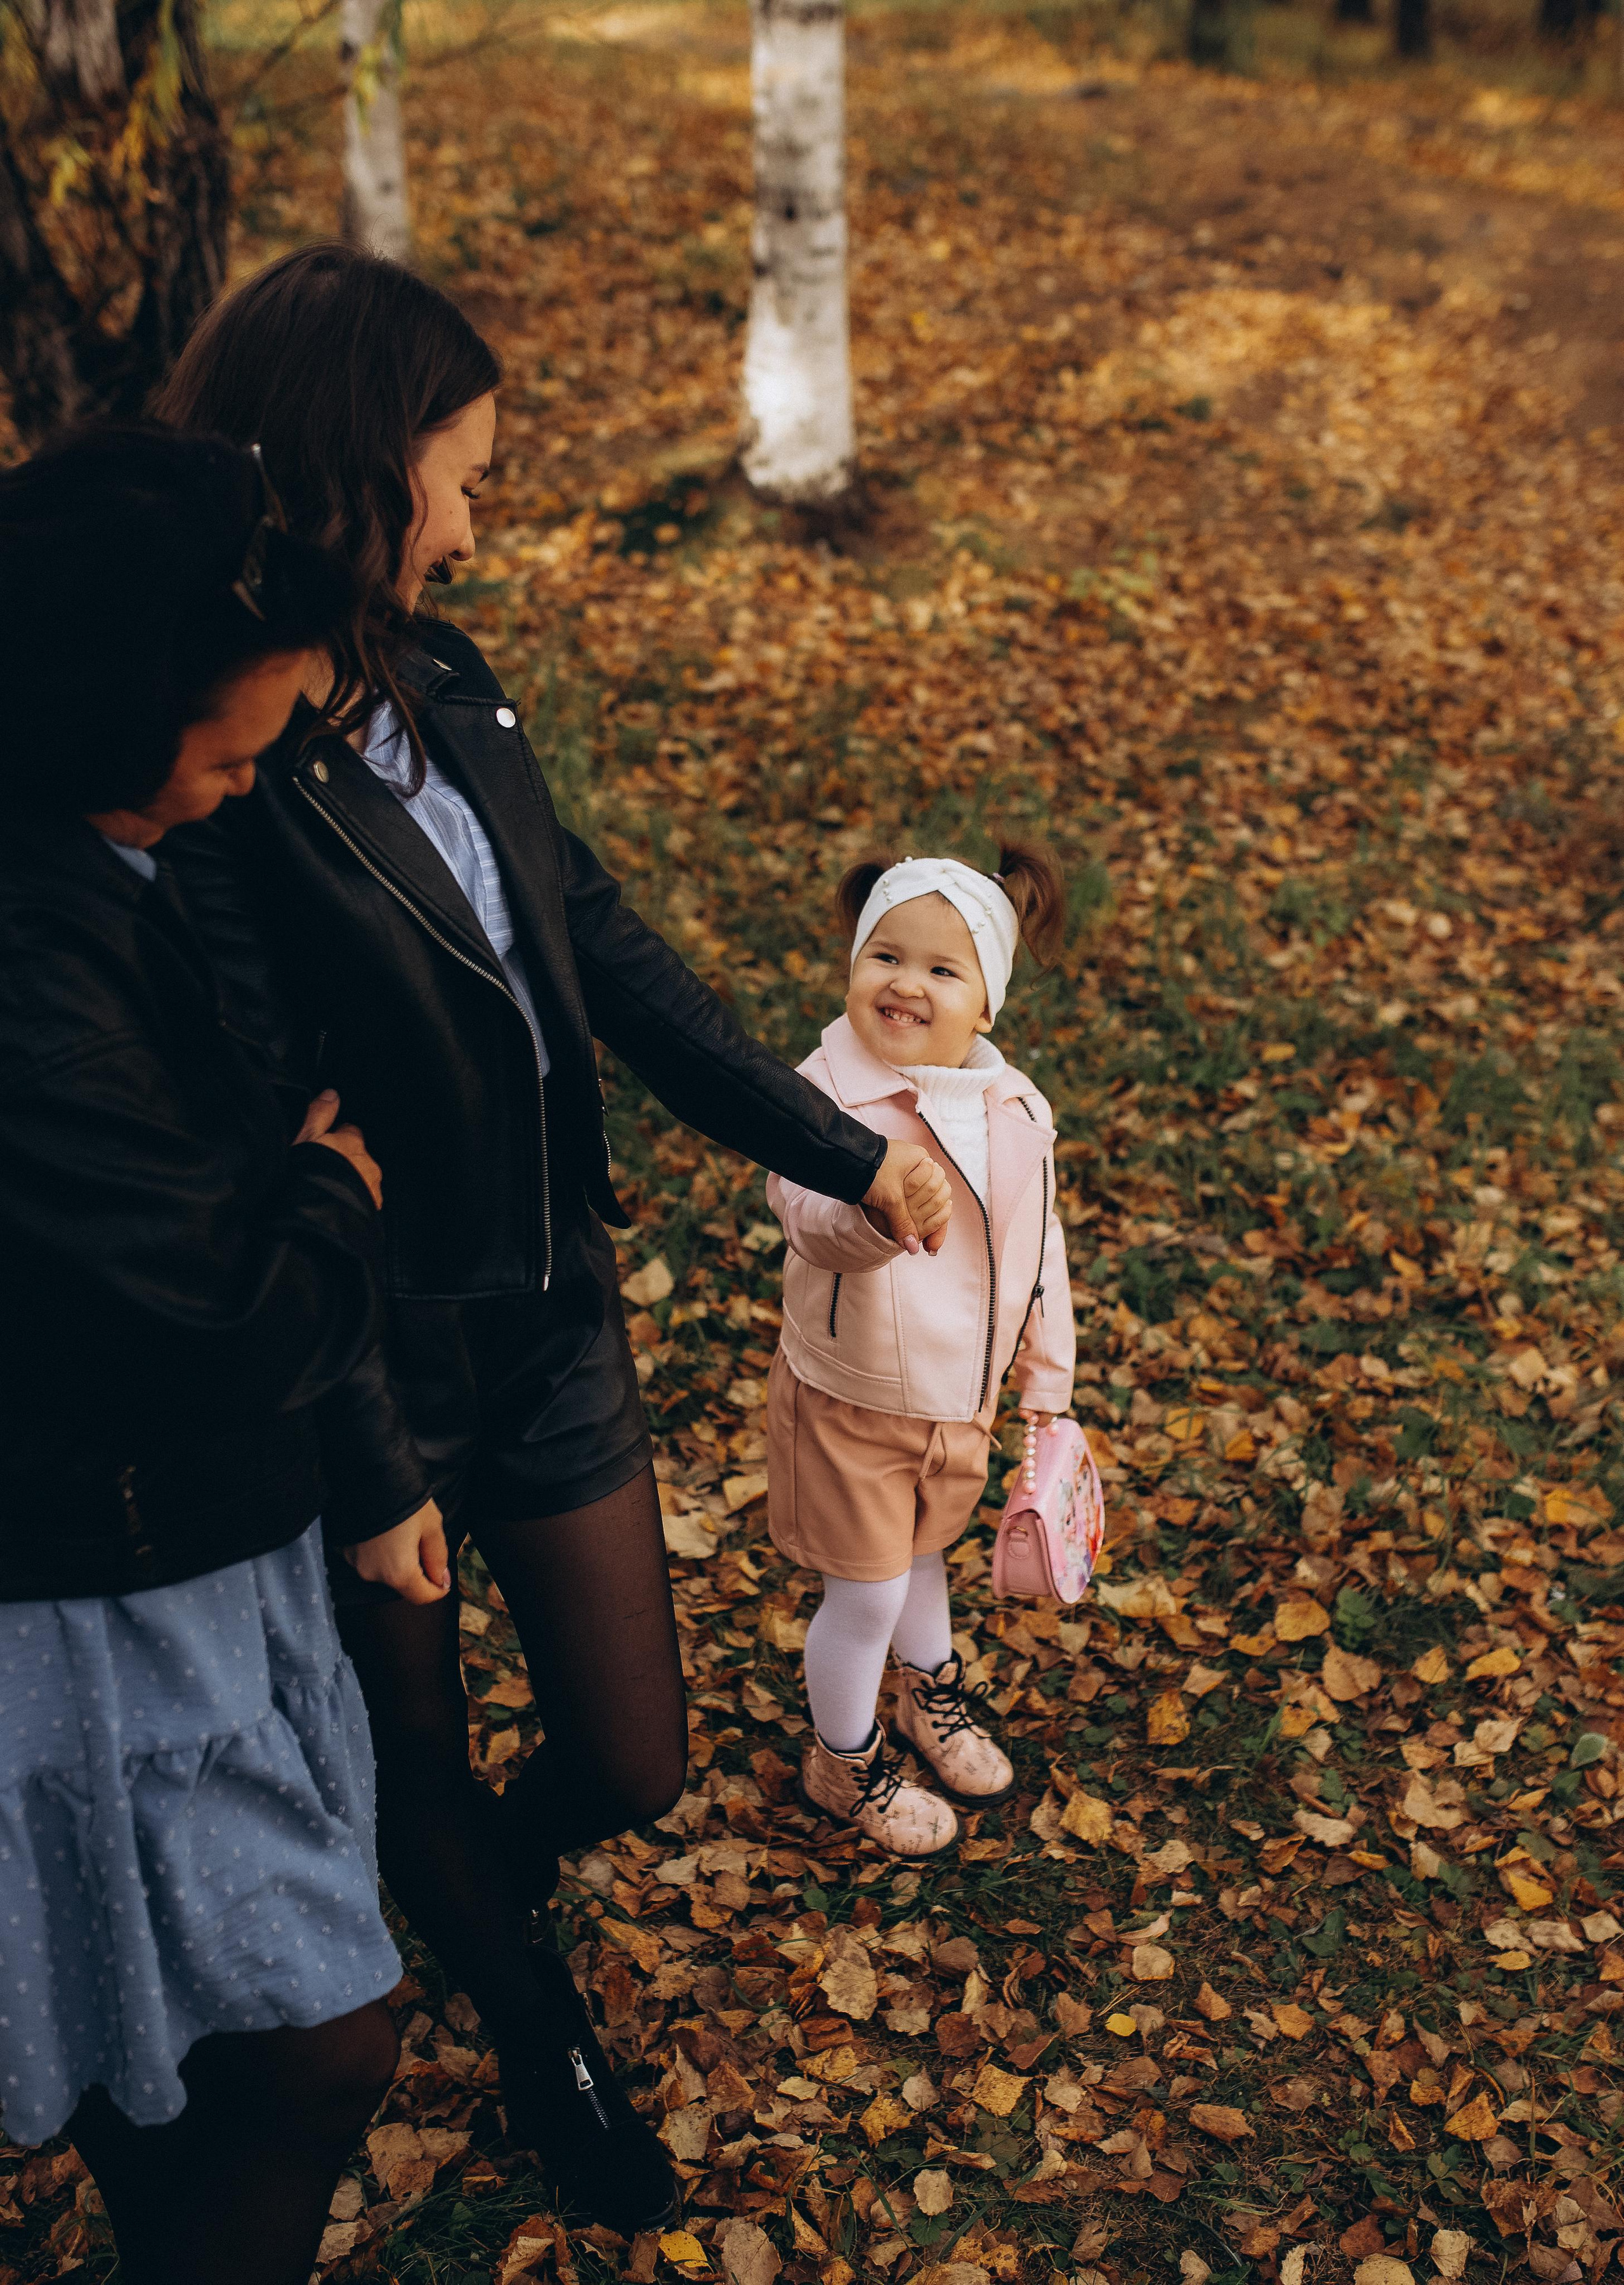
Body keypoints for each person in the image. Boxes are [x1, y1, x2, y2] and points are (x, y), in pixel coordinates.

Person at [154, 243, 952, 2231]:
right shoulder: (233, 763)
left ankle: (464, 1905)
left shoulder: (448, 678)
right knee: (411, 1732)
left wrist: (838, 1149)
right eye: (468, 475)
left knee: (632, 1752)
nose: (483, 513)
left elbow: (601, 949)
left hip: (549, 1312)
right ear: (365, 464)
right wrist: (357, 1463)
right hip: (378, 1353)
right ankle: (534, 2027)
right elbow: (263, 1136)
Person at [0, 425, 416, 2285]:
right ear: (105, 712)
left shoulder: (113, 868)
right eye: (231, 751)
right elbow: (220, 1304)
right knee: (309, 2044)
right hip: (88, 1586)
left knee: (201, 2055)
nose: (247, 790)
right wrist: (331, 1198)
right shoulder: (32, 960)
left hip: (164, 1545)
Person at [763, 850, 1077, 1854]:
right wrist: (878, 1209)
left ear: (987, 1005)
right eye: (885, 955)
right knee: (866, 1590)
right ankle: (842, 1756)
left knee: (920, 1554)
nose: (907, 982)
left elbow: (1041, 1251)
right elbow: (809, 1221)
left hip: (961, 1398)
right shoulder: (823, 1095)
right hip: (855, 1397)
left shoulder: (1015, 1109)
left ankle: (924, 1700)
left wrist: (1047, 1383)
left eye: (944, 970)